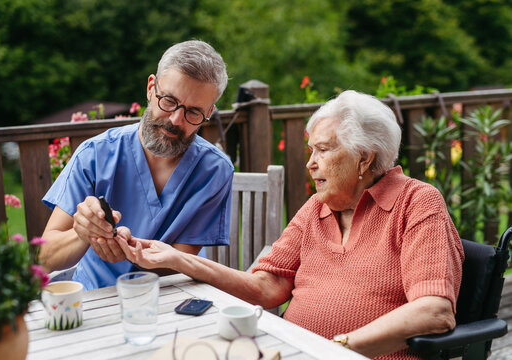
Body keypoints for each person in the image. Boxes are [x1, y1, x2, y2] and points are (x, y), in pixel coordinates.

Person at [114, 90, 464, 359]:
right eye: (311, 151)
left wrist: (333, 349)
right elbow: (266, 287)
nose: (310, 164)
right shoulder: (317, 208)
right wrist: (175, 258)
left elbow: (434, 311)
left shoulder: (416, 203)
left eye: (323, 150)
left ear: (365, 158)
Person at [40, 40, 234, 290]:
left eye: (194, 112)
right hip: (95, 298)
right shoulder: (94, 155)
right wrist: (84, 231)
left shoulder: (214, 171)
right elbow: (45, 257)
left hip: (170, 299)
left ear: (209, 112)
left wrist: (123, 246)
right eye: (169, 101)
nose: (176, 119)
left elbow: (176, 265)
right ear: (151, 88)